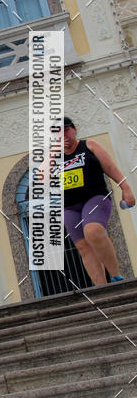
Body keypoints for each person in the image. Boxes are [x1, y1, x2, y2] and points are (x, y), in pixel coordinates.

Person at [62, 116, 135, 285]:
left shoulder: (89, 146)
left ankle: (116, 275)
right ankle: (102, 288)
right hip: (69, 206)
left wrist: (126, 188)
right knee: (83, 247)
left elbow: (110, 167)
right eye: (57, 133)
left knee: (93, 231)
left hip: (95, 198)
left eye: (66, 130)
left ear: (74, 130)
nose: (63, 135)